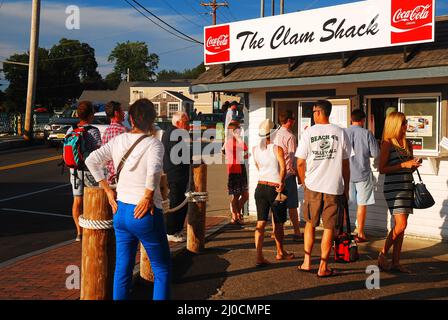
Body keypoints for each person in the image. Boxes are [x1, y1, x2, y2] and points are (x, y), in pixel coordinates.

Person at [85, 98, 171, 300]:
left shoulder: (119, 140)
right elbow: (154, 171)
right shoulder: (154, 144)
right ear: (152, 120)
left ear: (130, 119)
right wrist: (148, 195)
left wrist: (107, 190)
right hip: (144, 212)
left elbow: (91, 160)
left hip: (121, 210)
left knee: (122, 270)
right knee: (162, 269)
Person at [295, 100, 351, 277]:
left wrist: (304, 182)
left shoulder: (308, 133)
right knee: (329, 227)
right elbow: (345, 164)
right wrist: (346, 187)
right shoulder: (340, 132)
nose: (312, 114)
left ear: (319, 112)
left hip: (312, 186)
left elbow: (300, 162)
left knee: (310, 224)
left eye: (313, 111)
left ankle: (306, 262)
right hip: (334, 186)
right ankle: (323, 266)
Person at [378, 111, 420, 273]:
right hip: (394, 189)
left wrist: (413, 164)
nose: (406, 126)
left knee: (401, 227)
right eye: (403, 123)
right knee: (401, 225)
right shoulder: (388, 144)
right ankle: (382, 254)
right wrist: (404, 165)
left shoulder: (407, 143)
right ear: (395, 124)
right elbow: (382, 169)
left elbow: (408, 164)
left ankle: (396, 262)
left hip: (407, 186)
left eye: (406, 122)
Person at [253, 119, 295, 267]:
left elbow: (258, 166)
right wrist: (282, 182)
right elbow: (283, 168)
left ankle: (259, 256)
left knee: (261, 223)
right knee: (278, 223)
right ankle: (280, 252)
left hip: (260, 187)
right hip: (275, 188)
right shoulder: (277, 149)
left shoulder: (255, 149)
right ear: (273, 133)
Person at [68, 101, 102, 242]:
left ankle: (79, 233)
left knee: (77, 201)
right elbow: (98, 151)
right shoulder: (93, 131)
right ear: (90, 115)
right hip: (88, 170)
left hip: (74, 170)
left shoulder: (71, 129)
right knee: (91, 201)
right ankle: (91, 230)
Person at [345, 109, 379, 242]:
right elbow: (376, 153)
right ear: (363, 120)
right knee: (362, 204)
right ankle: (360, 233)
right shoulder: (367, 134)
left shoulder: (343, 133)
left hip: (346, 173)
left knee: (345, 203)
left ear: (351, 119)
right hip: (362, 173)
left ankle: (343, 230)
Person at [273, 110, 303, 241]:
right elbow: (292, 157)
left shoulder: (274, 134)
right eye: (294, 119)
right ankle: (296, 231)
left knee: (277, 204)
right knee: (292, 205)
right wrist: (298, 174)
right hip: (288, 174)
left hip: (275, 174)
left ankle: (275, 231)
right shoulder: (290, 136)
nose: (295, 122)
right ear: (290, 121)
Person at [162, 111, 190, 243]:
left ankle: (176, 230)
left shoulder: (170, 132)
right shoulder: (175, 134)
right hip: (176, 174)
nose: (189, 125)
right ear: (179, 122)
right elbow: (179, 155)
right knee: (176, 202)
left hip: (173, 173)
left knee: (179, 202)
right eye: (186, 122)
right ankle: (171, 231)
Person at [224, 120, 248, 225]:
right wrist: (238, 138)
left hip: (240, 169)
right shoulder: (229, 142)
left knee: (244, 195)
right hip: (234, 171)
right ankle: (236, 215)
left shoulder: (235, 141)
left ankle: (236, 214)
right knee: (237, 195)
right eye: (237, 130)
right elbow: (244, 147)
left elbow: (242, 151)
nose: (239, 132)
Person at [102, 101, 127, 184]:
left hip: (108, 176)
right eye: (122, 111)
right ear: (116, 113)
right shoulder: (123, 131)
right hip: (121, 176)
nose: (124, 113)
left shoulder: (106, 132)